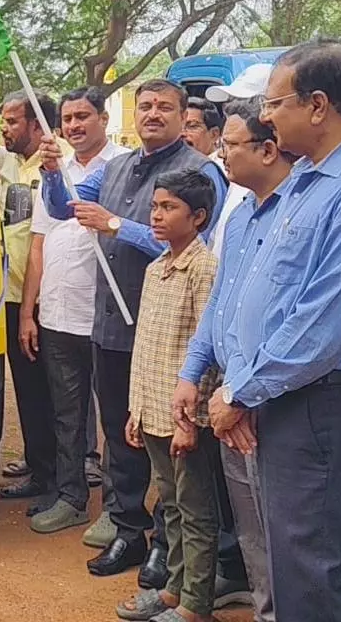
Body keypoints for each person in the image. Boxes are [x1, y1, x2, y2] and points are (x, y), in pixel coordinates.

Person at [207, 40, 341, 622]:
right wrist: (251, 383)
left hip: (327, 404)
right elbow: (269, 293)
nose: (266, 116)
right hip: (291, 397)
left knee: (315, 574)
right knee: (294, 566)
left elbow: (323, 323)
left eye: (274, 102)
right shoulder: (308, 179)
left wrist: (241, 391)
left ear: (318, 105)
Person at [40, 79, 226, 584]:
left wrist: (119, 226)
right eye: (145, 106)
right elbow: (66, 208)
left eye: (165, 107)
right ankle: (126, 527)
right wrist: (54, 173)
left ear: (182, 114)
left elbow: (197, 246)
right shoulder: (118, 167)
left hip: (169, 333)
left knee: (171, 443)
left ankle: (170, 546)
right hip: (112, 325)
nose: (153, 114)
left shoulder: (199, 172)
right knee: (122, 433)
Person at [180, 98, 297, 622]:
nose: (220, 154)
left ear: (269, 149)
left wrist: (241, 394)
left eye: (229, 144)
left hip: (270, 397)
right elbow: (221, 305)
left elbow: (294, 322)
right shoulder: (241, 212)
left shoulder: (300, 215)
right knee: (252, 530)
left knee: (288, 535)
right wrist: (193, 372)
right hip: (232, 393)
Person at [25, 87, 129, 534]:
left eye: (83, 116)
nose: (74, 126)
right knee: (67, 413)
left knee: (114, 415)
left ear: (103, 118)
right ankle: (71, 497)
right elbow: (39, 243)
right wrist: (28, 311)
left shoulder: (125, 168)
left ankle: (118, 506)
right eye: (68, 119)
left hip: (106, 316)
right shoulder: (55, 173)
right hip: (57, 313)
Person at [117, 169, 219, 622]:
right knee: (170, 505)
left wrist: (190, 421)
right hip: (153, 408)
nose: (156, 216)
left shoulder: (205, 268)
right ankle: (174, 591)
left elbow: (208, 350)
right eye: (155, 206)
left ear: (197, 217)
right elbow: (147, 347)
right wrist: (136, 410)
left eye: (168, 207)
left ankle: (196, 602)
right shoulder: (157, 267)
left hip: (183, 416)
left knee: (195, 510)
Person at [0, 91, 61, 505]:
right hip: (14, 295)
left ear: (37, 126)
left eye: (13, 121)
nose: (5, 127)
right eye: (3, 120)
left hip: (46, 299)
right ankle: (38, 464)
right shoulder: (8, 164)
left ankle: (58, 478)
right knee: (29, 390)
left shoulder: (57, 167)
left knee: (52, 393)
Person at [186, 97, 247, 257]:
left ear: (214, 134)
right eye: (181, 126)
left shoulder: (220, 169)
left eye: (192, 126)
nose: (183, 134)